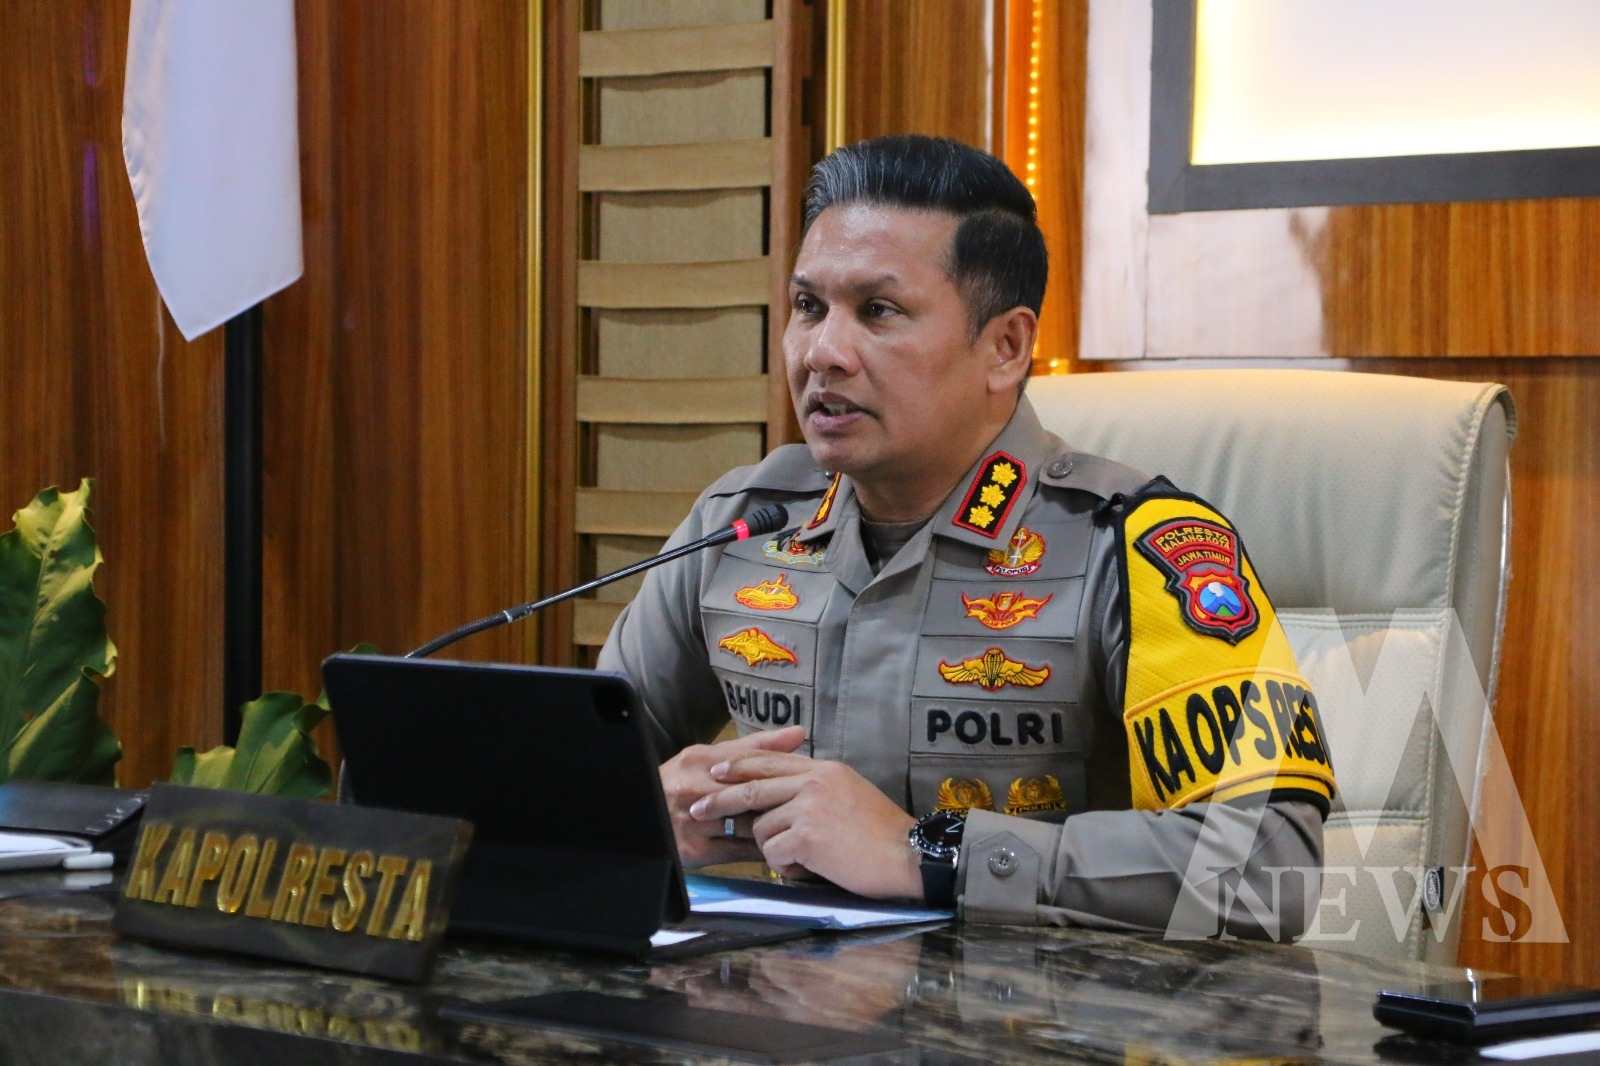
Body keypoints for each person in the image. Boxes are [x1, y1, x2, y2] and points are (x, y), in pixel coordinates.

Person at [598, 135, 1335, 938]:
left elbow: (1270, 866)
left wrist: (932, 853)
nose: (823, 352)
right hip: (782, 995)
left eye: (878, 311)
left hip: (1042, 1003)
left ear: (1005, 348)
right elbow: (579, 780)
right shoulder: (738, 525)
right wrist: (639, 815)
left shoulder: (1139, 547)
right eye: (809, 307)